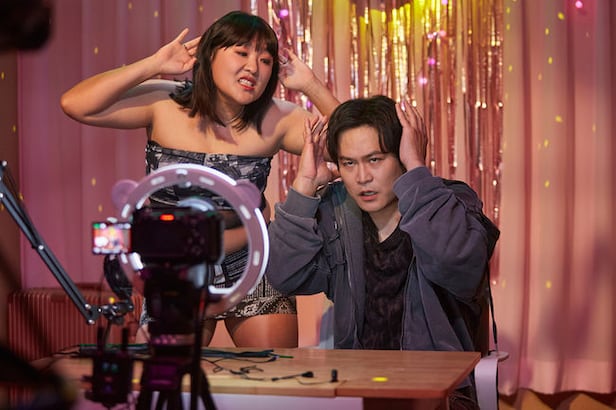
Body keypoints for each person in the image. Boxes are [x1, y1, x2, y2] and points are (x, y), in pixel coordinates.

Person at [60, 10, 340, 348]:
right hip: (177, 270)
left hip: (254, 265)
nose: (253, 67)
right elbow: (75, 104)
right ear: (209, 55)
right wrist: (153, 64)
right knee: (170, 374)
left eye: (265, 60)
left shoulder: (278, 118)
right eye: (241, 53)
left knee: (275, 375)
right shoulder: (165, 102)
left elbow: (350, 144)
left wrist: (310, 85)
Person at [265, 95, 500, 408]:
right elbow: (283, 275)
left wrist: (416, 169)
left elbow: (459, 265)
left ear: (401, 153)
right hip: (357, 389)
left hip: (437, 392)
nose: (362, 177)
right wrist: (305, 186)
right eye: (349, 163)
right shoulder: (337, 212)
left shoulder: (448, 201)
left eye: (375, 160)